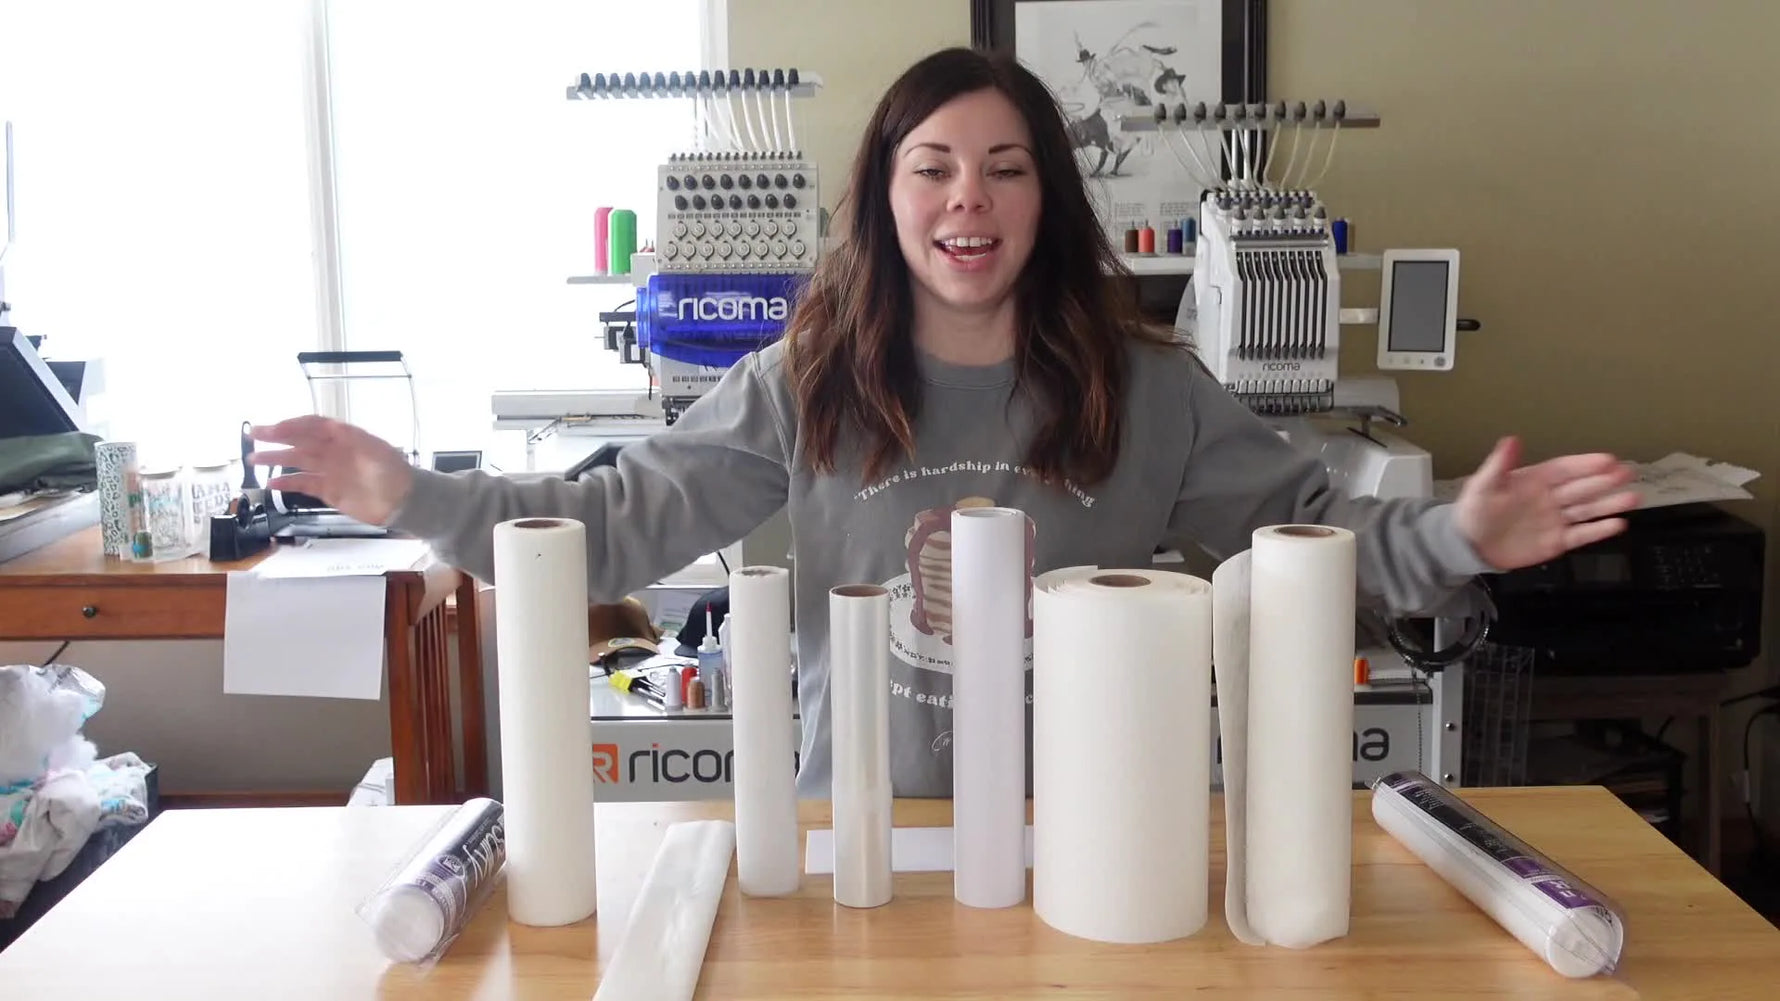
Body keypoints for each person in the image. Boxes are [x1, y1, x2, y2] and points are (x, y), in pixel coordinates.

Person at [249, 47, 1636, 798]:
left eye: (1004, 168)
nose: (967, 199)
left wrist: (1460, 534)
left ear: (1045, 202)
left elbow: (1321, 533)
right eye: (934, 167)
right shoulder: (807, 383)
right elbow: (608, 529)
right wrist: (411, 492)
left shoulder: (1149, 388)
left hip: (1106, 818)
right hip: (864, 829)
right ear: (888, 197)